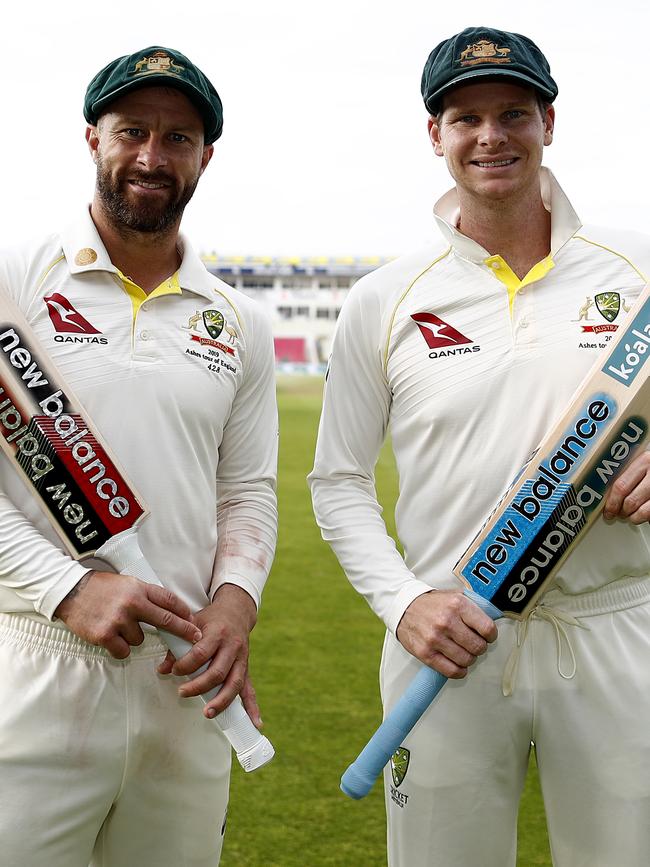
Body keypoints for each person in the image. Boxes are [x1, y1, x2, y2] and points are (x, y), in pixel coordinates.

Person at [310, 26, 650, 867]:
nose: (490, 136)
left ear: (549, 122)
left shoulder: (636, 269)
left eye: (513, 113)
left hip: (615, 630)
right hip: (451, 634)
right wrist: (403, 603)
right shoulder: (385, 299)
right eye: (466, 117)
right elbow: (338, 480)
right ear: (436, 134)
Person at [0, 46, 277, 867]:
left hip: (183, 674)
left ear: (205, 155)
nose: (153, 157)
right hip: (37, 662)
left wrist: (235, 603)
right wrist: (68, 585)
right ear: (94, 138)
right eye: (133, 132)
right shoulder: (15, 280)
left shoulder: (239, 321)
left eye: (179, 137)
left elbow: (249, 492)